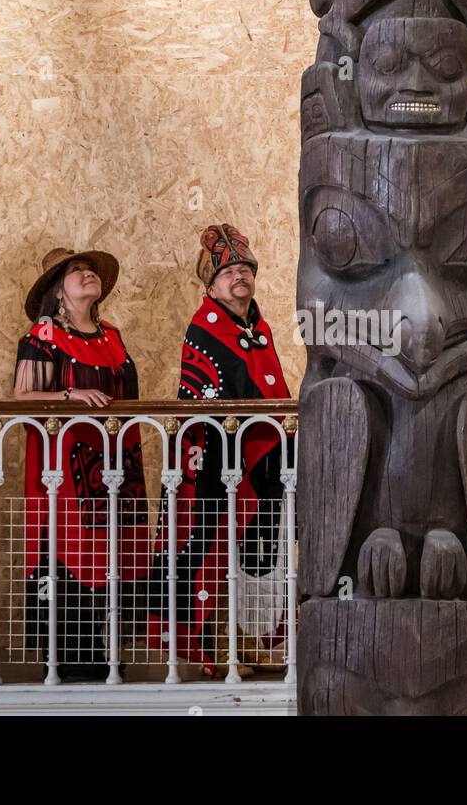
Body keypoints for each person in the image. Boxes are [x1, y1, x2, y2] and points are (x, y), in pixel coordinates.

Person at [146, 224, 291, 676]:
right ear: (210, 283)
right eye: (228, 271)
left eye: (245, 268)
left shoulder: (258, 327)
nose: (240, 276)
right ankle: (213, 647)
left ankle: (249, 640)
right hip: (217, 457)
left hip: (262, 458)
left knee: (256, 553)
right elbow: (209, 398)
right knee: (211, 550)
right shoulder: (205, 325)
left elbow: (272, 391)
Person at [14, 247, 151, 682]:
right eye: (77, 271)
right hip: (67, 466)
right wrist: (68, 396)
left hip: (118, 461)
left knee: (117, 548)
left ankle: (108, 647)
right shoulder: (42, 337)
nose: (88, 274)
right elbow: (20, 400)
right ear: (58, 290)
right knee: (69, 549)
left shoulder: (112, 333)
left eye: (90, 270)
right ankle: (70, 654)